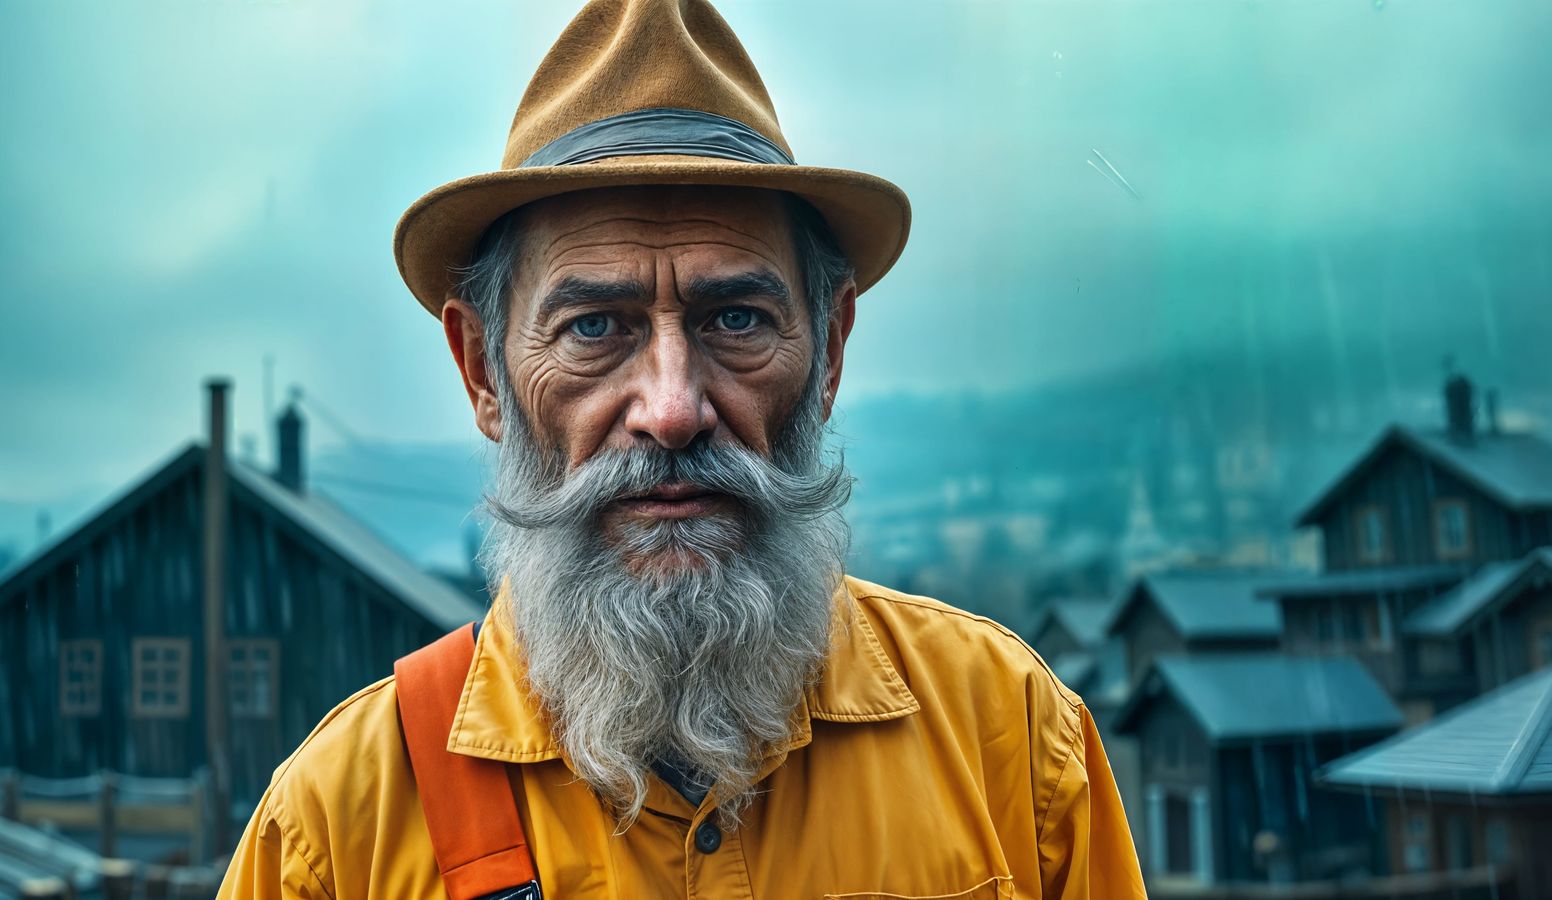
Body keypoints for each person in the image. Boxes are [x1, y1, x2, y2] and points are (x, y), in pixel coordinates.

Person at [219, 0, 1146, 897]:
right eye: (594, 328)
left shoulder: (1010, 744)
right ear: (483, 375)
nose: (671, 409)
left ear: (829, 355)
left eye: (736, 318)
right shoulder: (338, 834)